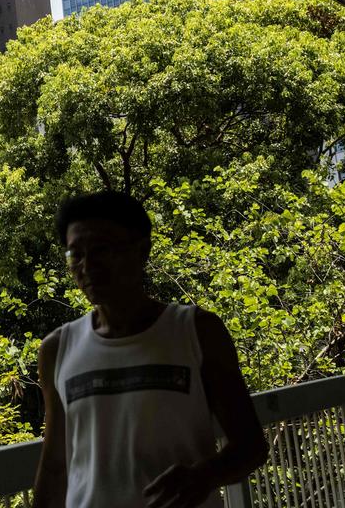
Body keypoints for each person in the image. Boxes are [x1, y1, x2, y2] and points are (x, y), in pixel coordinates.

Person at [32, 191, 268, 507]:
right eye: (76, 254)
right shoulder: (57, 350)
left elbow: (251, 446)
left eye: (102, 250)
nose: (87, 266)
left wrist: (205, 476)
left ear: (142, 250)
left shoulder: (195, 332)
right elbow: (55, 466)